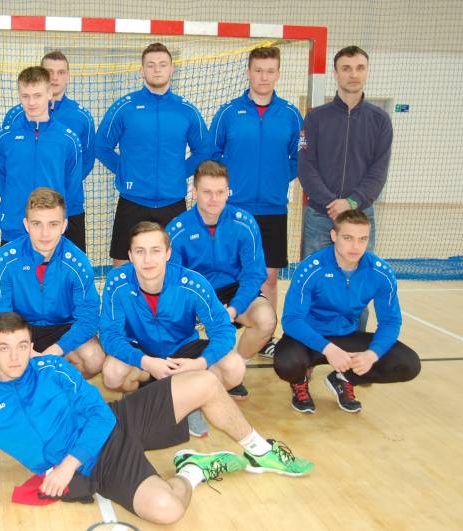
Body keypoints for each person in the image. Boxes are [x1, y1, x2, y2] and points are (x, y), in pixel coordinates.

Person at [0, 312, 313, 525]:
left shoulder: (52, 368)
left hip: (115, 422)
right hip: (101, 467)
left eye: (22, 346)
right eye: (4, 348)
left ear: (32, 346)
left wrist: (67, 465)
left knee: (205, 381)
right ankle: (193, 470)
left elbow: (98, 414)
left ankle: (259, 450)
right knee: (167, 510)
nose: (15, 357)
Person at [99, 221, 243, 437]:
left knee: (234, 367)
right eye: (140, 251)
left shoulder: (192, 283)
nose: (148, 259)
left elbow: (223, 330)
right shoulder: (117, 282)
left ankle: (192, 402)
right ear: (130, 255)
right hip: (143, 355)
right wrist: (145, 361)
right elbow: (109, 335)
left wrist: (200, 363)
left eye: (155, 251)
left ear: (167, 253)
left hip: (183, 352)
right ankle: (140, 396)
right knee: (112, 373)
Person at [274, 209, 421, 414]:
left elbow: (390, 322)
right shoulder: (311, 269)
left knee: (408, 363)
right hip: (309, 338)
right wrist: (329, 349)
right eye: (348, 238)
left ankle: (344, 379)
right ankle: (299, 382)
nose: (355, 246)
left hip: (347, 336)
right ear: (334, 236)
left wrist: (372, 354)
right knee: (286, 363)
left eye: (362, 239)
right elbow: (291, 320)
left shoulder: (380, 272)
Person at [209, 46, 302, 355]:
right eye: (258, 70)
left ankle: (265, 339)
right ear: (248, 72)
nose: (264, 77)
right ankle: (221, 334)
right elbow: (212, 155)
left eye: (270, 71)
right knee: (228, 275)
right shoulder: (228, 113)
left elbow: (298, 158)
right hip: (234, 210)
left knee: (269, 278)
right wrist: (230, 188)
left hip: (273, 210)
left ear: (278, 74)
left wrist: (276, 181)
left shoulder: (290, 115)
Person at [95, 42, 211, 267]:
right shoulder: (125, 107)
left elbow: (203, 150)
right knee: (123, 268)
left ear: (172, 69)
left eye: (162, 64)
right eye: (151, 65)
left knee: (174, 268)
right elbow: (102, 146)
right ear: (142, 70)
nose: (157, 69)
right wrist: (126, 171)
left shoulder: (186, 110)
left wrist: (179, 173)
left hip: (173, 203)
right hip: (132, 202)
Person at [167, 160, 276, 400]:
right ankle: (190, 378)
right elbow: (172, 280)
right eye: (207, 192)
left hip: (233, 290)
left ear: (228, 192)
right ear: (194, 192)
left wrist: (234, 308)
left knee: (266, 319)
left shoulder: (244, 223)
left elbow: (254, 274)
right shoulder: (177, 229)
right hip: (196, 293)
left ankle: (235, 373)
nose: (214, 199)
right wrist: (203, 309)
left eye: (220, 192)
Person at [0, 188, 104, 378]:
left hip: (63, 328)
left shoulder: (78, 262)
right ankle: (18, 388)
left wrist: (56, 350)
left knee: (94, 358)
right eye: (37, 224)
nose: (45, 233)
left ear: (64, 225)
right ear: (26, 225)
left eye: (53, 224)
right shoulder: (7, 258)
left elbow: (88, 318)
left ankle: (56, 387)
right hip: (17, 327)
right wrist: (22, 347)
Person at [298, 46, 392, 260]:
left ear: (367, 71)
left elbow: (379, 171)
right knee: (315, 275)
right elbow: (306, 167)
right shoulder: (315, 118)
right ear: (336, 73)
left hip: (360, 215)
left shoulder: (380, 120)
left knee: (359, 276)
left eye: (360, 68)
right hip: (321, 215)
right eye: (346, 68)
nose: (354, 74)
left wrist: (351, 203)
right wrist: (332, 204)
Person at [3, 51, 96, 251]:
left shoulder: (78, 120)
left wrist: (57, 184)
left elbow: (83, 162)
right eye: (49, 72)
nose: (55, 77)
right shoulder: (13, 120)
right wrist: (17, 194)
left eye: (60, 72)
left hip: (63, 209)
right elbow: (2, 170)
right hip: (19, 214)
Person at [0, 66, 82, 244]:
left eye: (37, 95)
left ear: (49, 93)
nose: (31, 102)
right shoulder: (5, 137)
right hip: (14, 226)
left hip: (51, 231)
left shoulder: (67, 139)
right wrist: (16, 200)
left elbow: (71, 185)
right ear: (19, 96)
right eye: (25, 96)